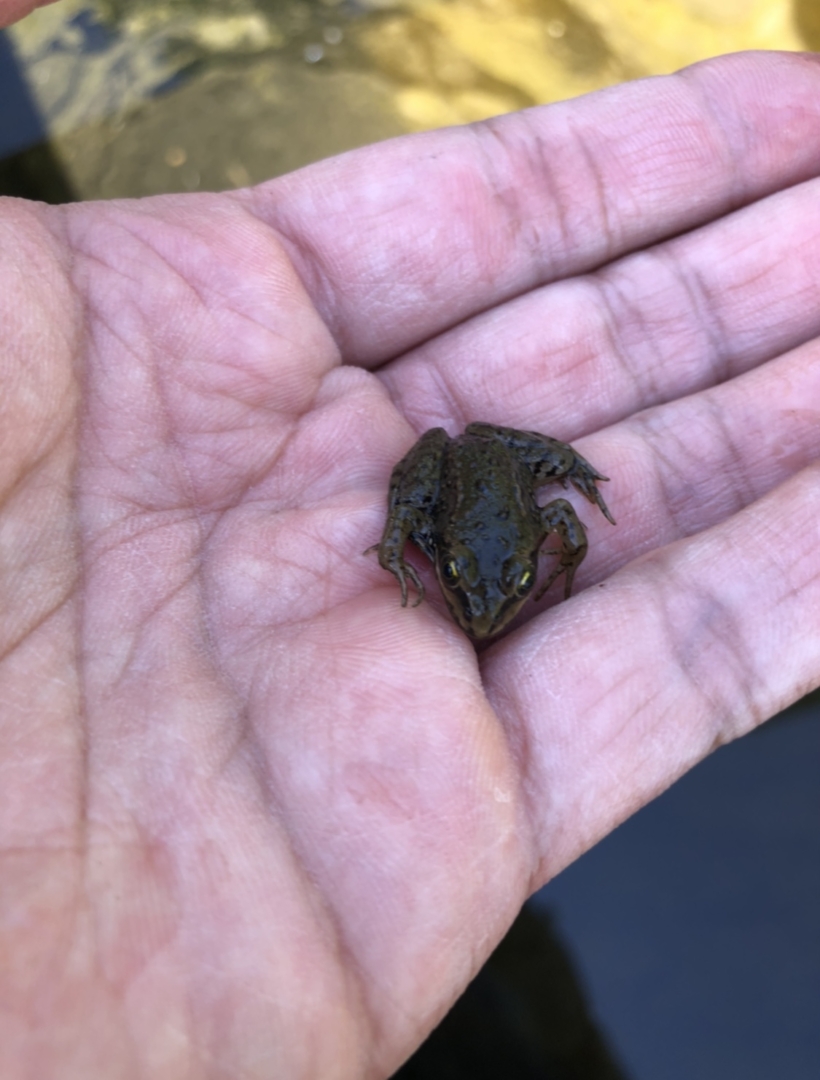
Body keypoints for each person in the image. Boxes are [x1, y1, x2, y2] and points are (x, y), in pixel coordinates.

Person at [1, 8, 818, 1071]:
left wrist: (562, 521)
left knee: (536, 465)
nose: (485, 604)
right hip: (460, 475)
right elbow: (452, 500)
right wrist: (404, 538)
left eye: (502, 589)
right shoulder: (452, 548)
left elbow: (557, 523)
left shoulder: (532, 546)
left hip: (500, 472)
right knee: (439, 466)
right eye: (483, 588)